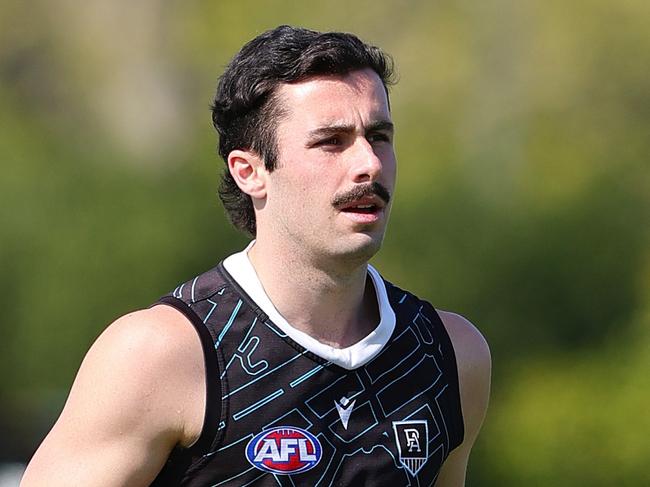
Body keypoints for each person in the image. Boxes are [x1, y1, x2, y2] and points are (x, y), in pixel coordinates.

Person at [21, 25, 490, 486]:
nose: (369, 163)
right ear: (250, 172)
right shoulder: (162, 356)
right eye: (331, 141)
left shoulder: (451, 355)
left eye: (380, 136)